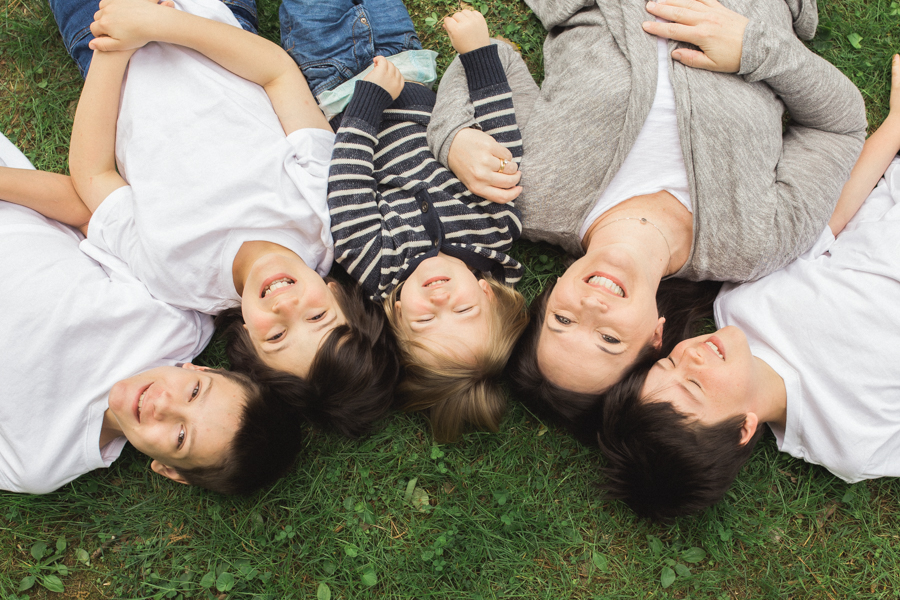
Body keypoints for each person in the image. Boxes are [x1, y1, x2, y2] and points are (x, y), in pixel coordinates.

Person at [427, 0, 867, 407]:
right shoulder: (751, 244)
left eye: (562, 320)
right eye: (609, 339)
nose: (591, 309)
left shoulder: (530, 195)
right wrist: (755, 47)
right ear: (655, 337)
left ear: (550, 293)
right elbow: (841, 127)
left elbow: (490, 58)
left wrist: (452, 137)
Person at [44, 0, 399, 437]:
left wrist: (115, 47)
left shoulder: (178, 280)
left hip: (105, 43)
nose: (286, 307)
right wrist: (165, 23)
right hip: (208, 13)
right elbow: (276, 73)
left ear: (248, 341)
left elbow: (92, 174)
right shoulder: (326, 213)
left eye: (276, 337)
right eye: (317, 317)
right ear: (338, 294)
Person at [596, 56, 900, 520]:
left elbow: (830, 217)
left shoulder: (739, 302)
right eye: (694, 384)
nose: (691, 354)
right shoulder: (852, 443)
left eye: (671, 361)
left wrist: (896, 125)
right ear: (743, 429)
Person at [0, 134, 304, 495]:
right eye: (193, 392)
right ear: (201, 369)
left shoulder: (38, 464)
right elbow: (86, 212)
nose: (162, 405)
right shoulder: (175, 321)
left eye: (180, 437)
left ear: (169, 470)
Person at [280, 1, 529, 441]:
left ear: (396, 317)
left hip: (341, 86)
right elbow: (501, 144)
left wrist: (367, 102)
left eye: (425, 322)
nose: (439, 300)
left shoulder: (376, 266)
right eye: (463, 309)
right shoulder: (495, 233)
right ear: (488, 294)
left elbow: (347, 182)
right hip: (408, 66)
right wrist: (478, 55)